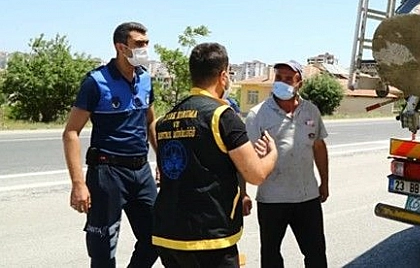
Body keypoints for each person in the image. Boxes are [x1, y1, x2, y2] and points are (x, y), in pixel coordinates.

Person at [152, 42, 278, 267]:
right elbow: (256, 174)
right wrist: (272, 155)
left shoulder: (166, 119)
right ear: (223, 76)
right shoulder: (222, 116)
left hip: (168, 233)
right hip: (209, 238)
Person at [62, 21, 159, 268]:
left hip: (141, 172)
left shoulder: (146, 80)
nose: (145, 49)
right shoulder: (96, 82)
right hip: (107, 173)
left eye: (146, 43)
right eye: (138, 44)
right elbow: (71, 132)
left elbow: (150, 122)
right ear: (121, 47)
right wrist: (78, 184)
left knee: (157, 238)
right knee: (103, 251)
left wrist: (163, 161)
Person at [245, 60, 329, 268]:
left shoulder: (311, 111)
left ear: (299, 82)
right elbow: (245, 158)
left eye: (288, 79)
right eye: (278, 78)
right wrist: (243, 192)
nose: (282, 82)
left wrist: (324, 183)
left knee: (316, 253)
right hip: (272, 199)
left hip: (307, 196)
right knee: (271, 256)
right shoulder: (258, 115)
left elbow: (319, 147)